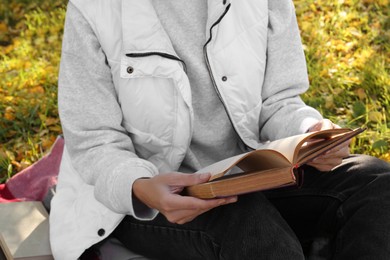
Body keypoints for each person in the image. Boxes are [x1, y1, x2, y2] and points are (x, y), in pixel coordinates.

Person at [49, 0, 390, 259]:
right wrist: (139, 186)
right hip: (146, 197)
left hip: (251, 175)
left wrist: (309, 131)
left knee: (375, 182)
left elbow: (279, 100)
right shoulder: (95, 9)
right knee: (247, 222)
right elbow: (95, 140)